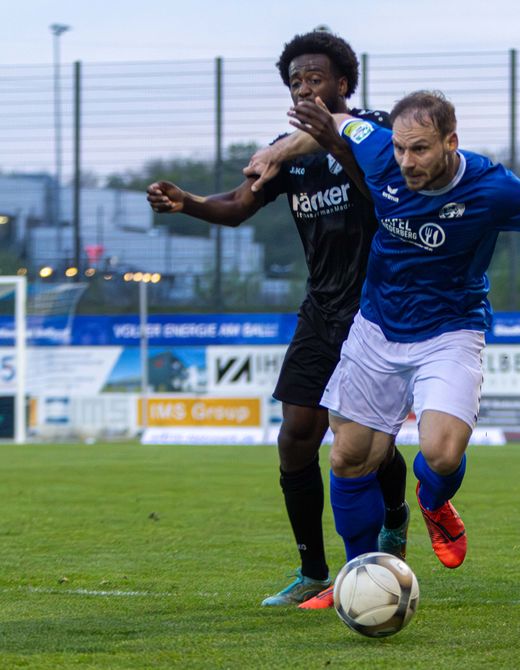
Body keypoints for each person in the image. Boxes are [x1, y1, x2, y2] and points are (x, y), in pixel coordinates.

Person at [244, 90, 520, 607]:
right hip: (378, 327)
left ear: (451, 142)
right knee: (348, 457)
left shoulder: (492, 187)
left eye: (421, 150)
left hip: (450, 330)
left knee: (442, 452)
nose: (406, 161)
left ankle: (433, 500)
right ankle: (359, 580)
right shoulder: (378, 147)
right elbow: (337, 123)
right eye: (402, 149)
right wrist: (277, 152)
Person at [145, 30, 409, 610]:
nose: (305, 87)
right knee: (295, 438)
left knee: (358, 440)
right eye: (295, 82)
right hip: (321, 307)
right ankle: (313, 571)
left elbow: (379, 190)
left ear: (343, 83)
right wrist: (187, 202)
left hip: (377, 307)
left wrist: (328, 142)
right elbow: (239, 206)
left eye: (315, 78)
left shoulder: (377, 130)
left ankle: (392, 519)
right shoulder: (282, 154)